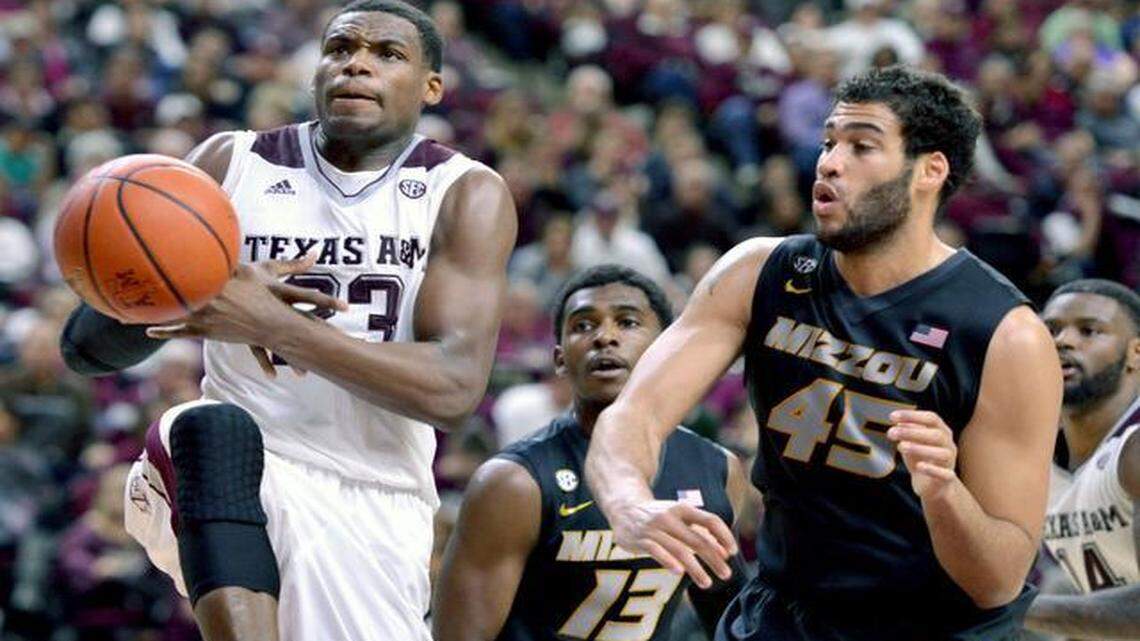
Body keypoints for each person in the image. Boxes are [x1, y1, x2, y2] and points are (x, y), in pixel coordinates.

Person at [58, 1, 517, 640]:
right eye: (340, 49)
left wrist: (271, 325)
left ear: (431, 87)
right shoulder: (232, 164)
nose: (357, 64)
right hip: (240, 466)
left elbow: (453, 390)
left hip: (378, 495)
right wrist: (194, 288)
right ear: (316, 69)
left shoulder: (462, 191)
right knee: (205, 427)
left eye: (388, 55)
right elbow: (85, 347)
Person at [584, 65, 1063, 640]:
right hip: (785, 611)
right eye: (829, 142)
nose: (830, 163)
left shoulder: (1005, 333)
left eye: (862, 146)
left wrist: (943, 492)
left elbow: (999, 581)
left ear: (930, 171)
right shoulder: (759, 272)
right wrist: (630, 503)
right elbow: (634, 414)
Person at [433, 264, 750, 641]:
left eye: (627, 322)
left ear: (665, 349)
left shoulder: (717, 469)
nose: (604, 337)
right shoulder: (513, 483)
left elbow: (729, 620)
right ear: (559, 359)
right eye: (583, 325)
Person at [1025, 279, 1140, 638]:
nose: (1063, 341)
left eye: (1089, 331)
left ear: (1136, 354)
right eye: (1051, 330)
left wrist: (1006, 609)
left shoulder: (1133, 448)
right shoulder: (1037, 458)